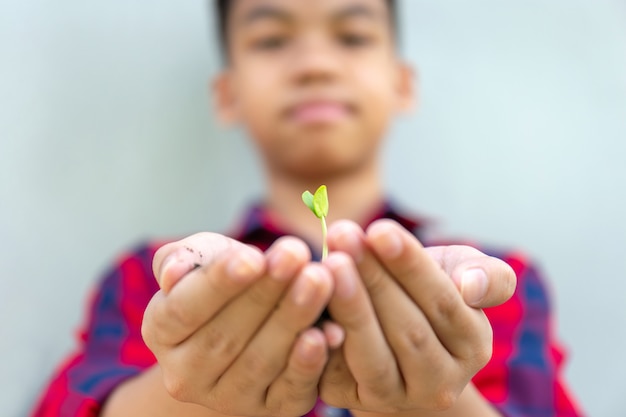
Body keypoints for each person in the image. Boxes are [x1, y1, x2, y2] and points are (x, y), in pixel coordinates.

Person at [31, 0, 584, 416]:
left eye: (352, 35)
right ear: (227, 94)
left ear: (402, 84)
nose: (314, 63)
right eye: (271, 40)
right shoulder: (153, 279)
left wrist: (439, 403)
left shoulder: (485, 288)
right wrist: (191, 391)